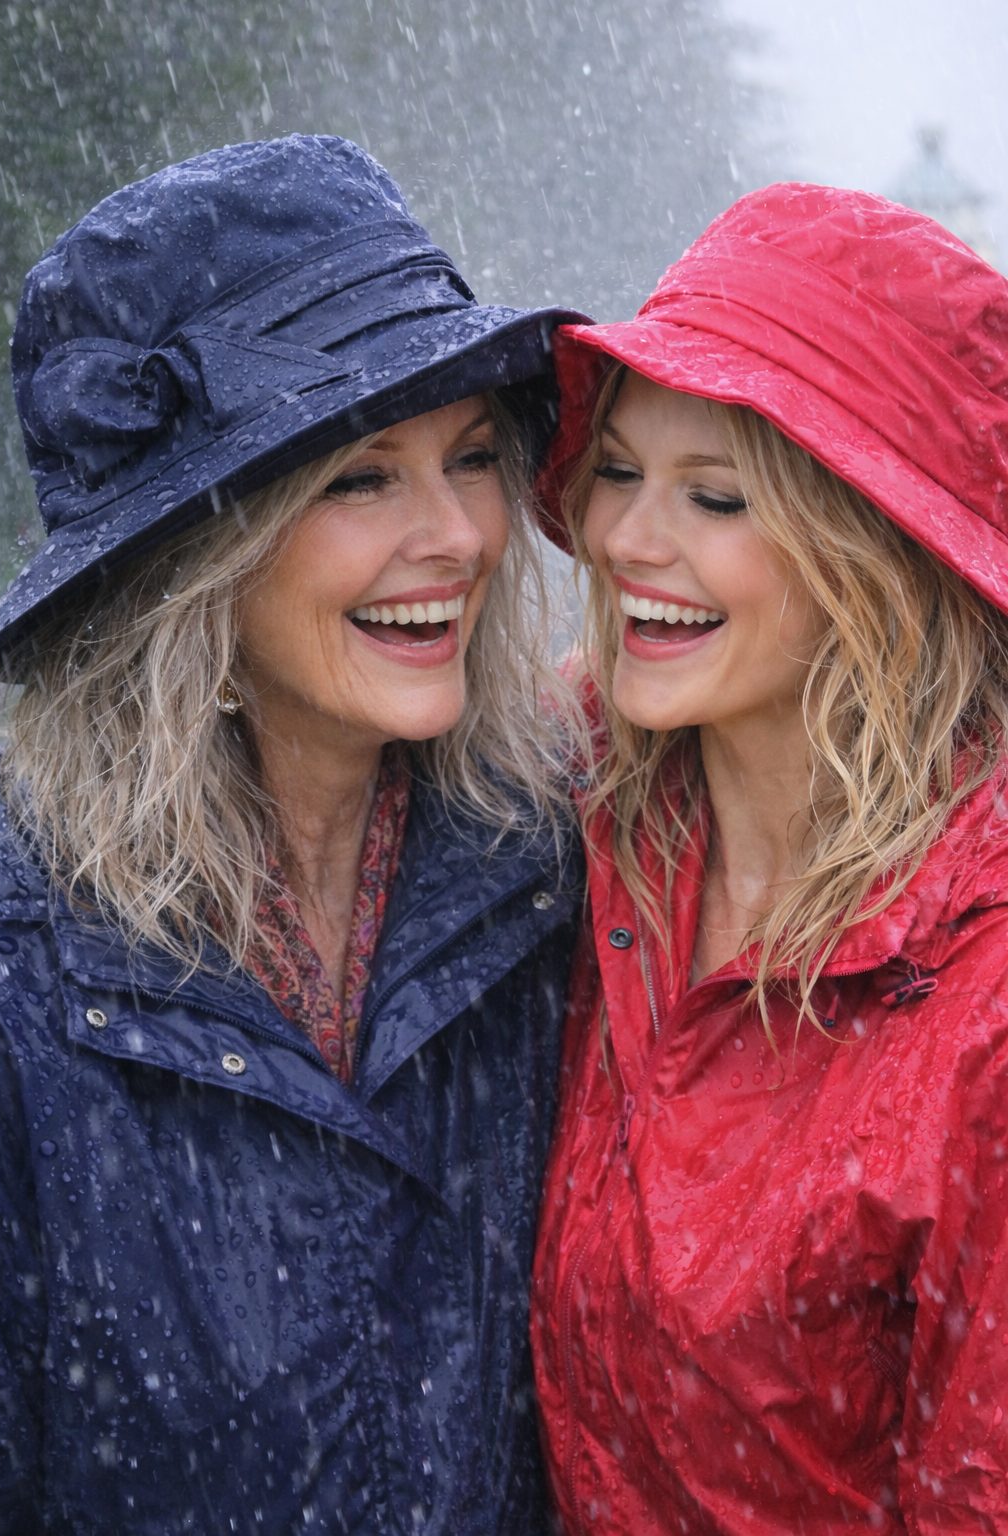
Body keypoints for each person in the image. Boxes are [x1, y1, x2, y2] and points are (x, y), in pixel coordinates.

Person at [0, 134, 587, 1534]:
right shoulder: (16, 972)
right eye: (360, 478)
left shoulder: (552, 877)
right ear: (193, 554)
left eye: (475, 456)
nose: (458, 535)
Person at [530, 183, 1008, 1533]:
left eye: (717, 496)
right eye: (616, 470)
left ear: (878, 559)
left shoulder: (976, 1007)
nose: (625, 540)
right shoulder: (580, 825)